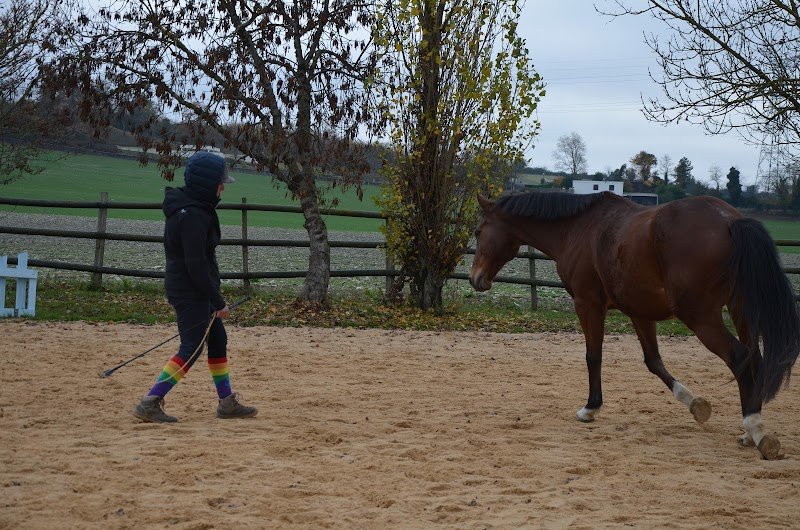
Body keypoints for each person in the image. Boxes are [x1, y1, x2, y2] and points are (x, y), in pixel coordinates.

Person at [133, 151, 257, 423]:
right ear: (207, 184)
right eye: (220, 182)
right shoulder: (192, 216)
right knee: (191, 347)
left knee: (217, 341)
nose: (223, 187)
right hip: (191, 292)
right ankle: (151, 401)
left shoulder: (194, 210)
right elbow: (196, 265)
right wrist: (217, 300)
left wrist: (214, 296)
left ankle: (226, 403)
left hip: (196, 289)